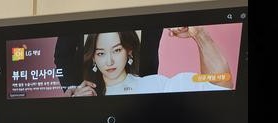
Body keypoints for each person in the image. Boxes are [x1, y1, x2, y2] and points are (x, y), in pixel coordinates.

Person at [65, 27, 234, 96]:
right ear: (93, 57)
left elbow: (220, 86)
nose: (109, 61)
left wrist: (199, 34)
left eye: (117, 50)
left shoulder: (155, 85)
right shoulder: (82, 95)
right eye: (101, 53)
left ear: (129, 51)